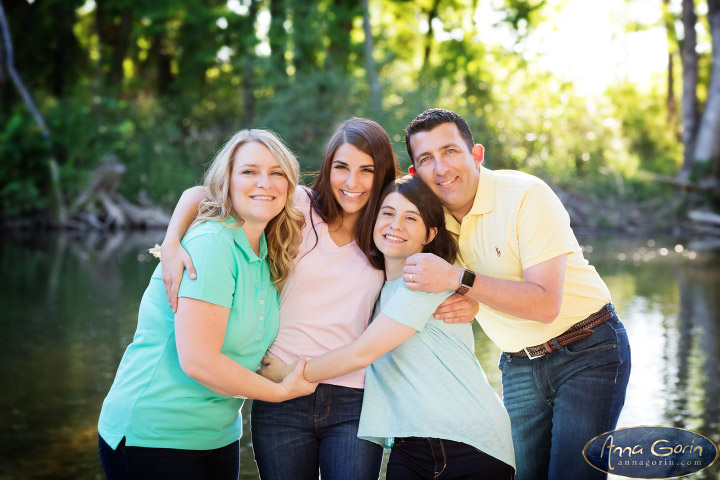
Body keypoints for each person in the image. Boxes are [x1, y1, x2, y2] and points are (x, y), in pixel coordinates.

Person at [399, 108, 631, 480]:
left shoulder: (525, 195)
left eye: (450, 151)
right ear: (415, 173)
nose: (440, 168)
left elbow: (543, 304)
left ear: (476, 155)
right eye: (426, 159)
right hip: (518, 365)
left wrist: (459, 279)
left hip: (587, 350)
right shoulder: (428, 218)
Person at [97, 129, 317, 480]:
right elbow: (199, 361)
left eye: (277, 173)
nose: (265, 182)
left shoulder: (265, 251)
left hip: (216, 435)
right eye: (249, 171)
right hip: (154, 434)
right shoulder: (213, 243)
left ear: (290, 186)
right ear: (226, 181)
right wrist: (278, 392)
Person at [261, 175, 516, 480]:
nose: (396, 225)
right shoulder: (381, 289)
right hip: (410, 447)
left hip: (468, 442)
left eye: (411, 217)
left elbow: (361, 353)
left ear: (430, 233)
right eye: (388, 213)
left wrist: (288, 373)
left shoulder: (424, 281)